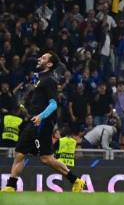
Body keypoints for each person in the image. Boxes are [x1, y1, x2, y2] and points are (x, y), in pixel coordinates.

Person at [2, 53, 84, 193]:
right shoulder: (38, 77)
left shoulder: (50, 80)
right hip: (33, 120)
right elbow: (34, 92)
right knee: (24, 154)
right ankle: (11, 186)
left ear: (50, 64)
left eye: (44, 58)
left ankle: (76, 180)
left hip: (42, 123)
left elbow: (53, 104)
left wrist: (41, 116)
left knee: (42, 157)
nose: (40, 59)